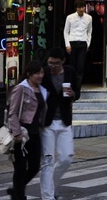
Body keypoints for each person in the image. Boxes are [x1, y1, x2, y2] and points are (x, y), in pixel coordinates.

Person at [40, 47, 80, 200]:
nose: (52, 66)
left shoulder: (70, 72)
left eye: (56, 63)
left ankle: (52, 186)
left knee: (66, 157)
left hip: (64, 120)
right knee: (48, 161)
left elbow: (78, 92)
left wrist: (73, 94)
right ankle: (48, 196)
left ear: (63, 61)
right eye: (50, 63)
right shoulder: (43, 73)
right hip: (47, 122)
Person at [7, 61, 48, 200]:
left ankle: (16, 189)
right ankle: (19, 196)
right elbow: (12, 113)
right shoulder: (21, 88)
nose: (40, 75)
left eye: (42, 72)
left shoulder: (41, 89)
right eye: (37, 73)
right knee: (20, 168)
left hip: (35, 133)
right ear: (29, 74)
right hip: (22, 134)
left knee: (35, 166)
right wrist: (17, 133)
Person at [64, 0, 93, 85]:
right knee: (72, 65)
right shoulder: (70, 17)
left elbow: (89, 31)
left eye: (83, 7)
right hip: (72, 42)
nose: (81, 9)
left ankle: (78, 85)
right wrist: (67, 45)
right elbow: (66, 31)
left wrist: (88, 43)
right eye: (79, 7)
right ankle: (72, 83)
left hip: (83, 43)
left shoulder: (89, 18)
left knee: (81, 66)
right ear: (76, 8)